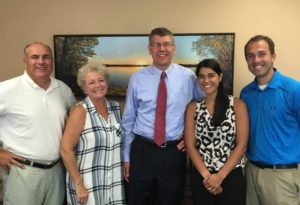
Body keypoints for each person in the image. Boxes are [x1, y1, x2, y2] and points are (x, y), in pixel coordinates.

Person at [122, 27, 203, 205]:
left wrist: (192, 136)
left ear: (173, 48)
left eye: (166, 44)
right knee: (138, 200)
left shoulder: (188, 77)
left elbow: (202, 109)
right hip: (142, 151)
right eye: (157, 44)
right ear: (149, 48)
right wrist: (126, 157)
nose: (162, 49)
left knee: (171, 200)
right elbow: (128, 120)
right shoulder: (137, 78)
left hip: (173, 153)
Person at [0, 42, 76, 205]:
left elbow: (74, 121)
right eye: (34, 57)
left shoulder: (63, 89)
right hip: (23, 171)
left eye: (45, 57)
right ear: (25, 61)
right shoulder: (7, 89)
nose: (41, 62)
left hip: (57, 170)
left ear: (52, 61)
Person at [240, 35, 300, 205]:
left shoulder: (293, 90)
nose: (256, 60)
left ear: (273, 56)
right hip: (251, 172)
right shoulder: (245, 93)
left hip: (283, 177)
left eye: (261, 54)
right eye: (250, 56)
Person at [185, 59, 249, 205]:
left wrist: (219, 177)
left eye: (211, 75)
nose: (206, 80)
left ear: (220, 77)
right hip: (202, 177)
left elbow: (242, 145)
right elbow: (190, 145)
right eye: (201, 76)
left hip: (231, 176)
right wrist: (208, 177)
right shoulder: (192, 108)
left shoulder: (237, 105)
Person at [60, 63, 126, 205]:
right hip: (87, 186)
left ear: (107, 82)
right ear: (84, 88)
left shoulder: (115, 107)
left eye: (101, 80)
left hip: (113, 185)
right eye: (91, 82)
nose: (98, 85)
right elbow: (65, 150)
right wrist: (78, 184)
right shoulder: (80, 111)